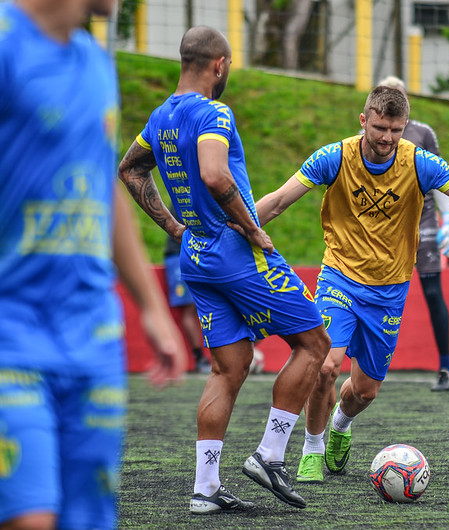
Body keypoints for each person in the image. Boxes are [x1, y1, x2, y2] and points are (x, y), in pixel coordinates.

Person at [241, 85, 449, 484]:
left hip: (390, 291)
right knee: (325, 365)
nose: (387, 138)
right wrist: (235, 225)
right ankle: (311, 448)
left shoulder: (419, 163)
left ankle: (340, 427)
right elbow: (278, 201)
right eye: (380, 127)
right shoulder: (334, 157)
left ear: (405, 127)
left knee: (363, 392)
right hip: (339, 278)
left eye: (396, 130)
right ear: (364, 120)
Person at [117, 26, 330, 514]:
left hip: (196, 255)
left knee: (228, 367)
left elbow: (130, 169)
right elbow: (214, 173)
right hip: (236, 251)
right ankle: (270, 455)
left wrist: (174, 226)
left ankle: (205, 489)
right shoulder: (214, 112)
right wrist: (251, 228)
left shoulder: (160, 115)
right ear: (220, 65)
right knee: (314, 343)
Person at [0, 1, 188, 529]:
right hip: (10, 331)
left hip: (91, 336)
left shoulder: (94, 62)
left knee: (85, 519)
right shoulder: (6, 45)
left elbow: (99, 183)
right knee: (30, 517)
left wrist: (151, 308)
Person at [376, 76, 449, 391]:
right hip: (383, 232)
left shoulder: (422, 133)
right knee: (375, 296)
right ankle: (365, 366)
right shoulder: (365, 136)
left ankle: (446, 366)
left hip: (422, 226)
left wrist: (448, 219)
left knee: (433, 292)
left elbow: (442, 177)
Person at [164, 205, 212, 373]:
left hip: (196, 252)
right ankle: (199, 357)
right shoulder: (188, 192)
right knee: (190, 308)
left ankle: (205, 357)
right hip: (179, 254)